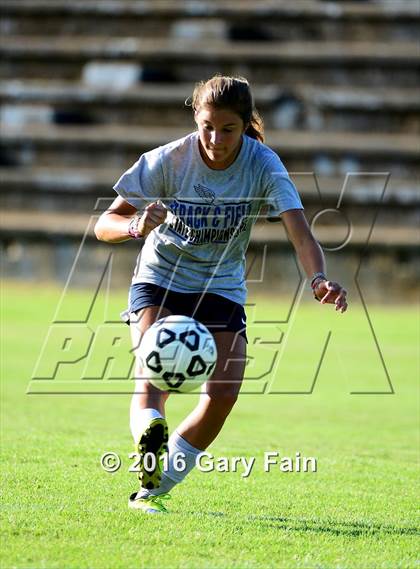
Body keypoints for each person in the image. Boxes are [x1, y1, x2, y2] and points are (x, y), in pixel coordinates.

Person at [94, 75, 348, 514]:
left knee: (224, 395)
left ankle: (153, 486)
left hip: (221, 284)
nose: (215, 139)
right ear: (196, 117)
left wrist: (318, 279)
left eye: (227, 129)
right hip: (161, 277)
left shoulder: (263, 165)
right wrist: (136, 226)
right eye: (207, 126)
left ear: (246, 125)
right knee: (155, 372)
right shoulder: (167, 160)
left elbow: (300, 233)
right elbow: (104, 225)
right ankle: (150, 436)